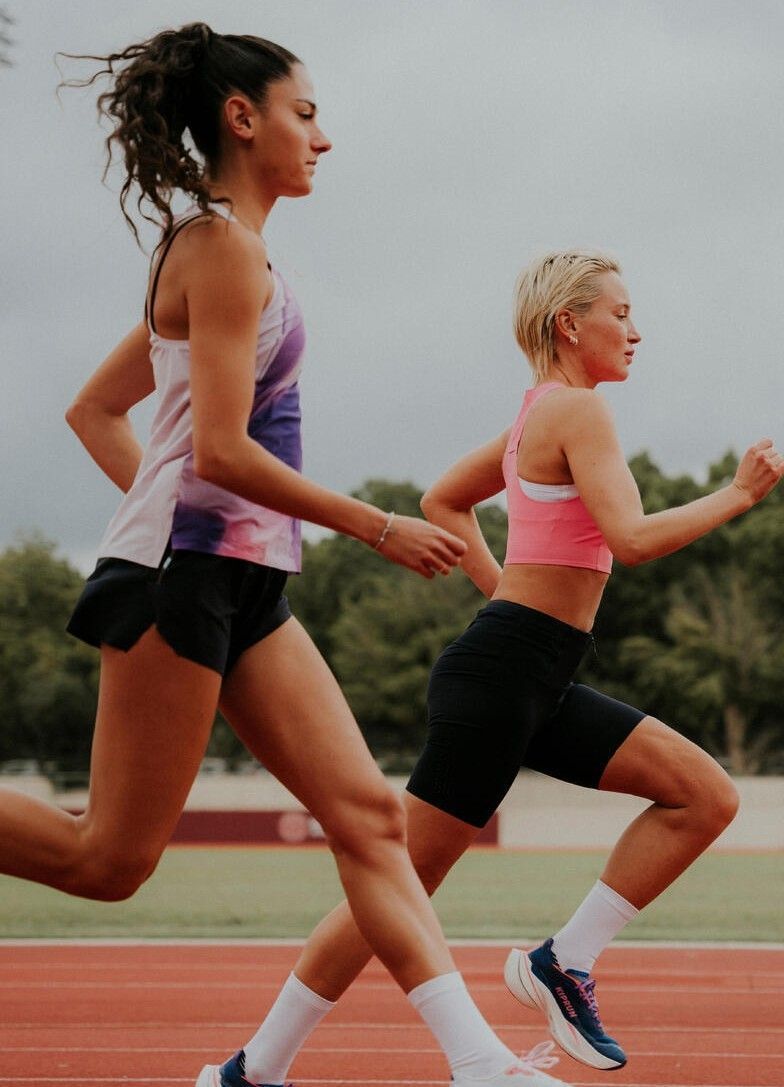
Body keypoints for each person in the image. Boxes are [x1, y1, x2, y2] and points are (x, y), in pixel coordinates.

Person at [0, 23, 569, 1087]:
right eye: (306, 113)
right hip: (184, 580)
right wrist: (371, 524)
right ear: (242, 117)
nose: (324, 138)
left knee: (366, 818)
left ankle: (477, 1067)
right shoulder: (217, 249)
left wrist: (190, 523)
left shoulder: (237, 257)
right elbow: (216, 447)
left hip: (239, 580)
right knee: (107, 861)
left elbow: (99, 409)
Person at [204, 249, 784, 1082]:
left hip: (532, 671)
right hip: (505, 673)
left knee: (702, 793)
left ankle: (562, 961)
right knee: (397, 888)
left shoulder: (533, 419)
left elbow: (443, 498)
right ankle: (254, 1068)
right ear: (568, 324)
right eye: (618, 312)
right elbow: (631, 539)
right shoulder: (578, 414)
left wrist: (503, 592)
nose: (634, 329)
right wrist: (737, 495)